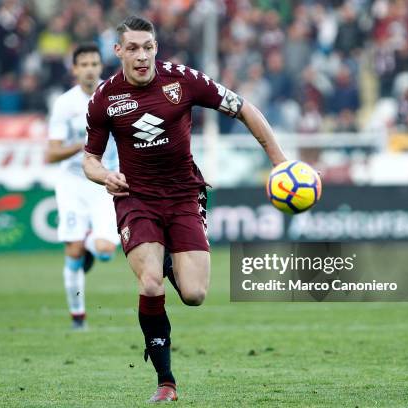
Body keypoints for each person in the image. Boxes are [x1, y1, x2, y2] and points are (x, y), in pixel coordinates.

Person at [83, 16, 287, 402]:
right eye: (133, 48)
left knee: (194, 295)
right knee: (149, 283)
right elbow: (89, 159)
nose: (142, 56)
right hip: (136, 198)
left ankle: (167, 261)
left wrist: (280, 162)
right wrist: (103, 176)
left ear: (156, 47)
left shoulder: (185, 80)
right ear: (118, 51)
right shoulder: (104, 98)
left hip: (183, 196)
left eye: (148, 47)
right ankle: (166, 381)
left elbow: (244, 108)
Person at [46, 43, 119, 331]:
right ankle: (78, 317)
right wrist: (84, 143)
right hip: (73, 182)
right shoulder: (65, 104)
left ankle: (87, 239)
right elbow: (51, 153)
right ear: (75, 69)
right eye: (83, 64)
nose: (89, 69)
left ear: (101, 67)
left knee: (104, 251)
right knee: (73, 251)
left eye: (94, 63)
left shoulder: (114, 96)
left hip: (105, 180)